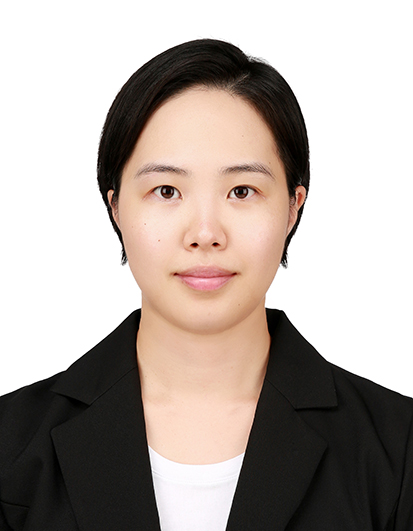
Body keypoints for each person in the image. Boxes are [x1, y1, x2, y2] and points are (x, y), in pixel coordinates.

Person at [0, 39, 412, 531]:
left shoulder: (398, 449)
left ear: (292, 207)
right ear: (116, 208)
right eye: (166, 191)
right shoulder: (10, 445)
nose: (205, 234)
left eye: (242, 190)